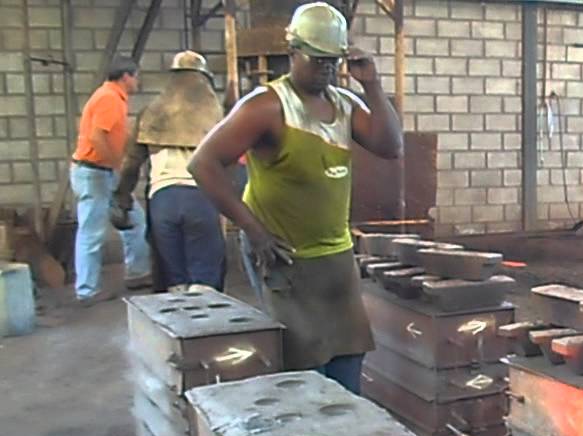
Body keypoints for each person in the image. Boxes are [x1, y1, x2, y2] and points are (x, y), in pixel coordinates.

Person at [189, 2, 402, 394]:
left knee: (348, 352)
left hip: (335, 256)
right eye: (316, 58)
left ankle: (346, 428)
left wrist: (371, 84)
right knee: (303, 363)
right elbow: (203, 164)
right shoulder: (265, 107)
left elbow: (391, 146)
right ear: (293, 52)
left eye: (331, 60)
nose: (325, 68)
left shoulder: (344, 104)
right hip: (283, 256)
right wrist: (253, 231)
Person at [113, 51, 226, 292]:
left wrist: (121, 200)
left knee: (174, 283)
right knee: (205, 284)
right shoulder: (216, 115)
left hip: (162, 202)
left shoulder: (152, 112)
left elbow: (131, 163)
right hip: (200, 200)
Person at [71, 56, 150, 305]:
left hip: (101, 171)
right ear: (126, 76)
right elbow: (96, 136)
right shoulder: (109, 98)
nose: (138, 81)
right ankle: (86, 291)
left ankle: (137, 273)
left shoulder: (112, 97)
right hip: (96, 172)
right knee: (91, 232)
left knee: (134, 220)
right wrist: (117, 165)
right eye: (136, 76)